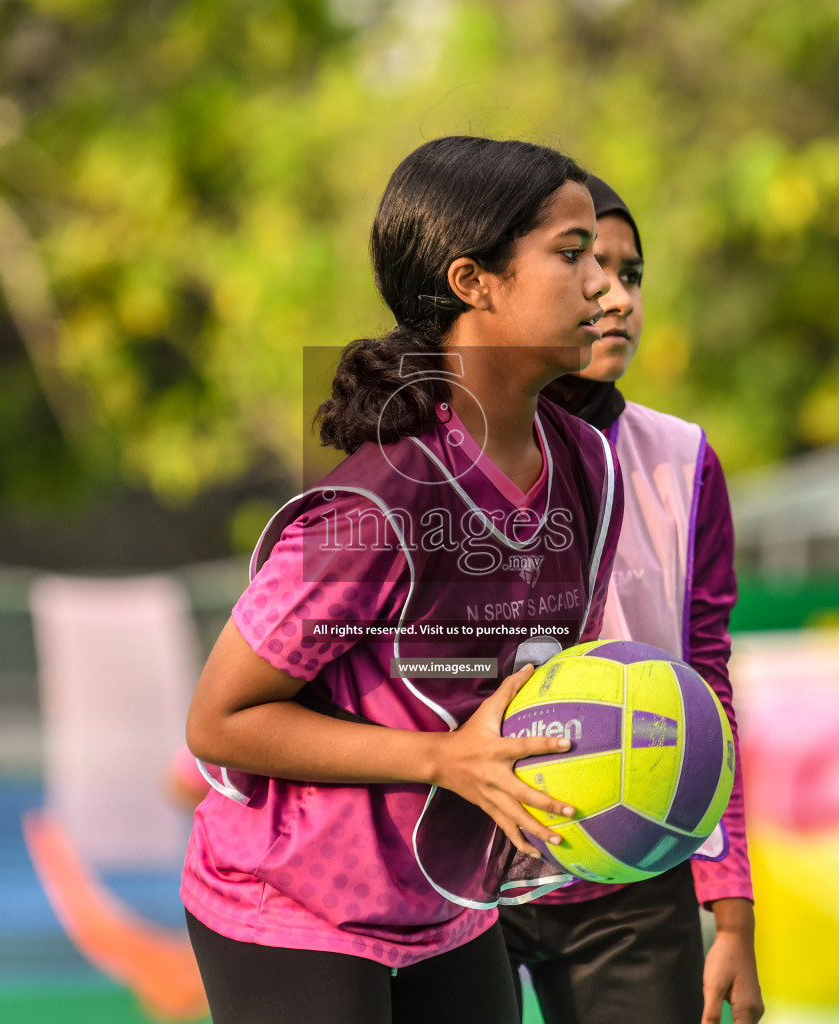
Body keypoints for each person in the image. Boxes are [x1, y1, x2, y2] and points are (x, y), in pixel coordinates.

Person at [180, 136, 625, 1024]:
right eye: (572, 257)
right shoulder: (379, 502)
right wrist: (441, 759)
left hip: (444, 904)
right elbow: (219, 721)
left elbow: (538, 678)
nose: (606, 289)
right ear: (474, 281)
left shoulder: (588, 465)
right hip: (292, 903)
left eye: (609, 263)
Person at [499, 176, 765, 1024]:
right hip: (465, 867)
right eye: (583, 264)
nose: (615, 297)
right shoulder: (439, 448)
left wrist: (732, 910)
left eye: (632, 272)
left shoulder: (683, 460)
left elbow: (708, 686)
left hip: (633, 876)